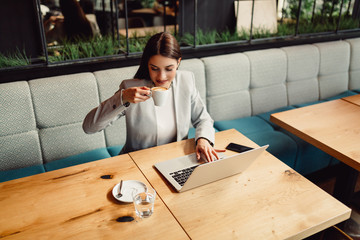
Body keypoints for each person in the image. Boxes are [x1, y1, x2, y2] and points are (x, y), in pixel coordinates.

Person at [83, 32, 224, 162]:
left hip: (175, 160)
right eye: (154, 68)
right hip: (137, 162)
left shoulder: (186, 81)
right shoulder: (130, 89)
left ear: (178, 62)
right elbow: (89, 127)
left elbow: (203, 119)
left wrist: (203, 139)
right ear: (147, 65)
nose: (162, 77)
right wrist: (122, 98)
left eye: (169, 69)